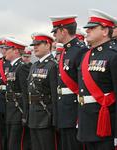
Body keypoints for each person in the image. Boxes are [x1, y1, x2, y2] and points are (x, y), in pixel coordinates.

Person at [77, 9, 117, 150]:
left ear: (105, 31)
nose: (87, 31)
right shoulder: (85, 56)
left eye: (92, 28)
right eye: (87, 28)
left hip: (106, 125)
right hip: (87, 123)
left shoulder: (113, 55)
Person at [49, 15, 88, 150]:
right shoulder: (66, 51)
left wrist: (79, 116)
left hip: (74, 111)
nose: (54, 35)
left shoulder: (80, 50)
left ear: (63, 31)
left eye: (55, 31)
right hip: (64, 110)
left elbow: (83, 85)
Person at [28, 33, 58, 150]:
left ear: (48, 45)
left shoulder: (52, 65)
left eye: (38, 44)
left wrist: (55, 119)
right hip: (34, 114)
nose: (35, 47)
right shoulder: (34, 65)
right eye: (34, 45)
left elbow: (55, 94)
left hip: (46, 115)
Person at [4, 37, 31, 150]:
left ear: (15, 50)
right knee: (11, 143)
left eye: (8, 48)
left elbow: (25, 92)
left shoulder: (22, 67)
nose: (5, 51)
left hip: (18, 110)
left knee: (18, 144)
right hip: (11, 109)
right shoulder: (12, 67)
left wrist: (25, 114)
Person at [0, 37, 11, 150]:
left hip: (10, 99)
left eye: (6, 48)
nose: (4, 50)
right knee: (1, 131)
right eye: (2, 48)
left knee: (10, 131)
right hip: (0, 98)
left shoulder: (13, 63)